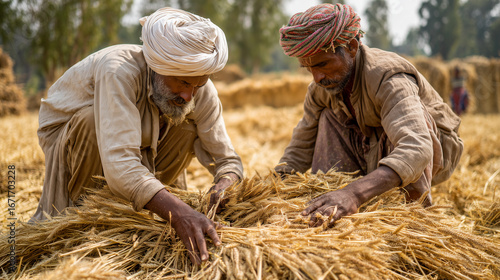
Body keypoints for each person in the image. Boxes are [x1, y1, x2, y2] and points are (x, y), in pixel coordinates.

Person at [30, 7, 243, 265]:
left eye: (198, 84)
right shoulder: (119, 71)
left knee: (186, 123)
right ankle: (89, 221)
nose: (190, 94)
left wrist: (224, 185)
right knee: (89, 121)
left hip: (134, 151)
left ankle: (145, 212)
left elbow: (228, 160)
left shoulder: (197, 88)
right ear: (157, 67)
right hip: (77, 139)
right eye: (182, 83)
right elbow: (120, 163)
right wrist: (180, 213)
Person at [275, 4, 463, 227]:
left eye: (323, 64)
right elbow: (300, 147)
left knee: (412, 124)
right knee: (326, 117)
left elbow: (417, 147)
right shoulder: (321, 90)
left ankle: (411, 220)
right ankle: (333, 207)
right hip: (369, 145)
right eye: (307, 68)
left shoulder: (388, 78)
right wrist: (272, 187)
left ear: (352, 47)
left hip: (430, 149)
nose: (316, 77)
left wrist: (353, 194)